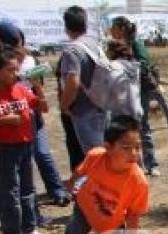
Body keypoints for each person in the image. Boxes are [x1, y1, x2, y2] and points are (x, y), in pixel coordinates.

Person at [0, 22, 69, 209]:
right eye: (14, 44)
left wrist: (36, 90)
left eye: (19, 43)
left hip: (27, 114)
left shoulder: (25, 58)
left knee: (38, 157)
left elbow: (40, 95)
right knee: (4, 169)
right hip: (3, 122)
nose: (18, 49)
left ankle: (46, 200)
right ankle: (8, 209)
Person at [0, 48, 49, 234]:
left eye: (16, 69)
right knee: (10, 192)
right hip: (5, 149)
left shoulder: (21, 89)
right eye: (10, 70)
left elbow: (43, 108)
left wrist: (37, 88)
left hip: (26, 144)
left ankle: (29, 227)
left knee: (28, 188)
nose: (15, 74)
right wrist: (4, 120)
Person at [62, 116, 148, 234]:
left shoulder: (139, 182)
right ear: (108, 147)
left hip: (112, 224)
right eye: (126, 148)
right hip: (84, 208)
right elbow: (79, 172)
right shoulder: (96, 156)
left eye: (137, 147)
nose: (134, 153)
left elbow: (133, 215)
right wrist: (70, 185)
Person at [110, 16, 161, 176]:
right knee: (127, 130)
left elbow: (144, 63)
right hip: (124, 94)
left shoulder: (135, 44)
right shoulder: (115, 46)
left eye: (114, 27)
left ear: (122, 28)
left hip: (139, 92)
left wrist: (128, 68)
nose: (112, 31)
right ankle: (135, 165)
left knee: (142, 127)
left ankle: (151, 164)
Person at [60, 6, 107, 154]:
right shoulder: (96, 46)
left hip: (85, 111)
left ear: (66, 26)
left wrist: (64, 105)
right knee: (107, 155)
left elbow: (73, 81)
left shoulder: (72, 50)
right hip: (104, 107)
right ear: (85, 24)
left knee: (95, 158)